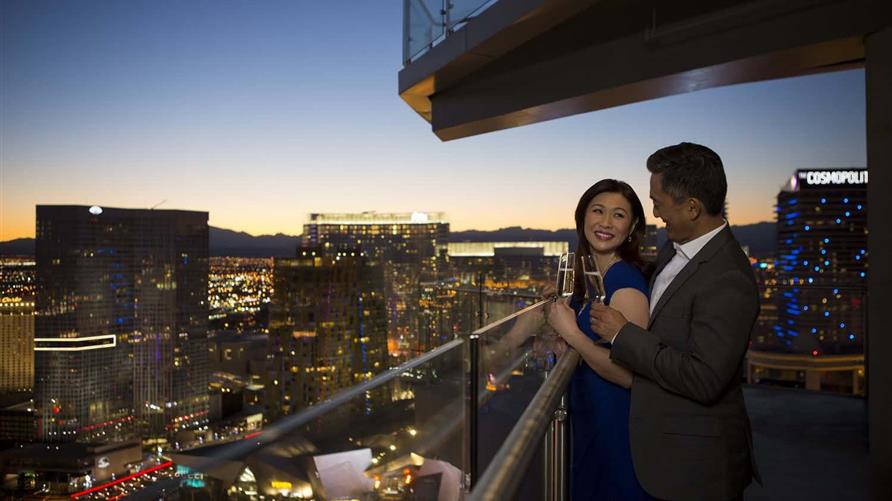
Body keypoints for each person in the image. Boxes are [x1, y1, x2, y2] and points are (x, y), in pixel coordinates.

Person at [589, 142, 760, 501]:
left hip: (694, 466)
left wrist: (623, 333)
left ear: (693, 207)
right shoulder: (677, 247)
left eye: (658, 202)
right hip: (657, 448)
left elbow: (704, 379)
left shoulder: (729, 276)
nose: (654, 212)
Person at [546, 179, 653, 500]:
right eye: (598, 211)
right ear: (582, 217)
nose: (606, 223)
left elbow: (628, 375)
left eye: (618, 215)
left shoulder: (625, 286)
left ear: (632, 226)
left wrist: (572, 335)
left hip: (616, 431)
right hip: (592, 422)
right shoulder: (594, 279)